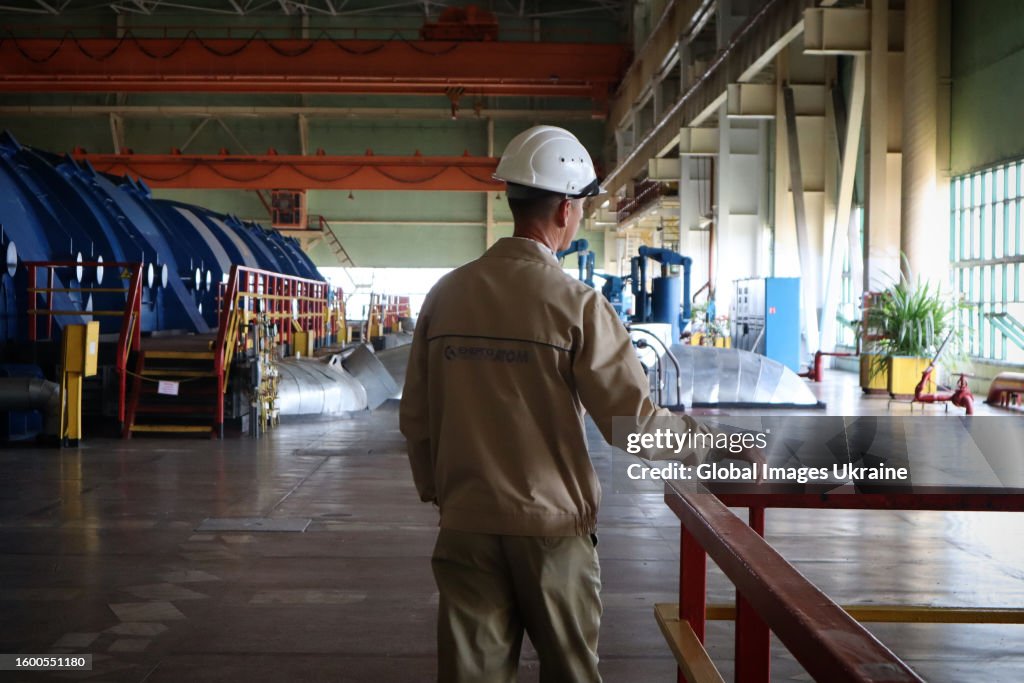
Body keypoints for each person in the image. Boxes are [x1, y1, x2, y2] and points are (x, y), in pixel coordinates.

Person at [399, 125, 758, 682]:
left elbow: (416, 418)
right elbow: (633, 425)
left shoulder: (447, 295)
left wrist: (444, 493)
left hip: (467, 523)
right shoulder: (577, 305)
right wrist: (729, 444)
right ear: (566, 209)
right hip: (552, 535)